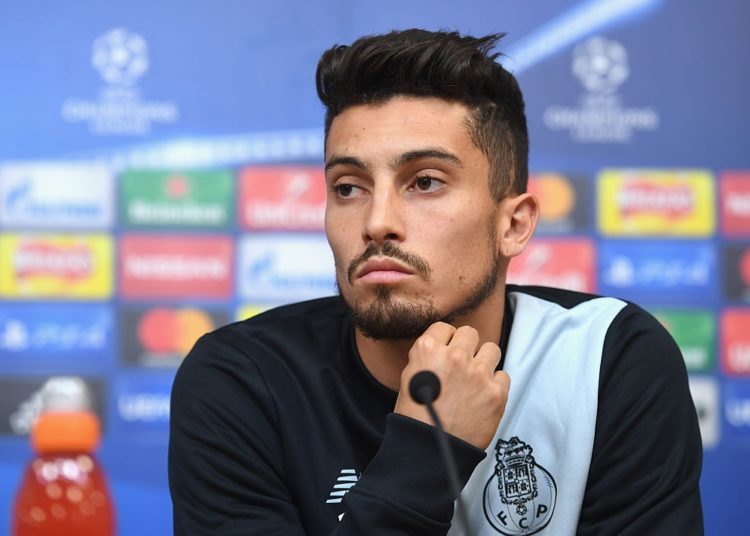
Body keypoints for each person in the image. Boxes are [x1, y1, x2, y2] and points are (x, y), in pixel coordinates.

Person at [169, 29, 703, 535]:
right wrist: (430, 452)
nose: (377, 221)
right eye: (348, 187)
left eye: (424, 182)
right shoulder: (242, 379)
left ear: (512, 224)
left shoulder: (608, 359)